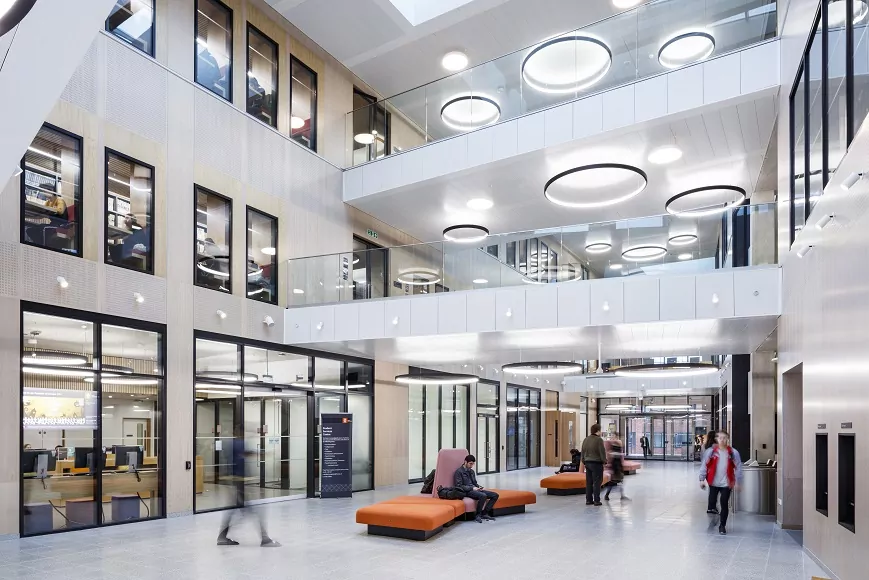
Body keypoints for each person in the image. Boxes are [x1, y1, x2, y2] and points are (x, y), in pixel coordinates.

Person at [217, 426, 281, 547]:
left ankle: (222, 537)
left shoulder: (229, 444)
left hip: (235, 481)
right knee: (256, 511)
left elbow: (240, 456)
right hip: (239, 481)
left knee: (235, 511)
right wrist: (266, 453)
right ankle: (265, 539)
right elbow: (248, 453)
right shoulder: (239, 443)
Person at [699, 431, 743, 535]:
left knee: (724, 503)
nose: (722, 440)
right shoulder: (711, 452)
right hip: (713, 482)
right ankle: (715, 519)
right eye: (720, 438)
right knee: (712, 502)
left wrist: (737, 481)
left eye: (724, 438)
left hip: (726, 483)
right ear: (717, 439)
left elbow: (738, 468)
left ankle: (722, 525)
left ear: (727, 439)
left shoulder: (733, 453)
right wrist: (701, 479)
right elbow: (704, 465)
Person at [454, 454, 498, 523]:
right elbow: (459, 486)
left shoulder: (471, 471)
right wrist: (472, 488)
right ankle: (478, 515)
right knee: (483, 495)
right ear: (465, 462)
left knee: (495, 495)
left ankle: (485, 513)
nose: (471, 466)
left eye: (473, 464)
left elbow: (475, 483)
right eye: (470, 464)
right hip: (467, 491)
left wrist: (478, 487)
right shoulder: (459, 472)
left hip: (475, 489)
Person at [580, 424, 607, 506]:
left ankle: (588, 500)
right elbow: (602, 452)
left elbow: (582, 452)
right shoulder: (599, 440)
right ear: (598, 431)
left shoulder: (586, 439)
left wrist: (584, 461)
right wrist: (604, 462)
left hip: (587, 463)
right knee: (597, 482)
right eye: (600, 430)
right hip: (596, 463)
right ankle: (597, 500)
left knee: (589, 482)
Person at [604, 433, 630, 501]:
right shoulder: (615, 444)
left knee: (616, 481)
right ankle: (609, 495)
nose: (613, 437)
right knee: (614, 481)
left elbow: (615, 455)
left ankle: (610, 495)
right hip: (616, 466)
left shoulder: (616, 444)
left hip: (617, 466)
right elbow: (614, 455)